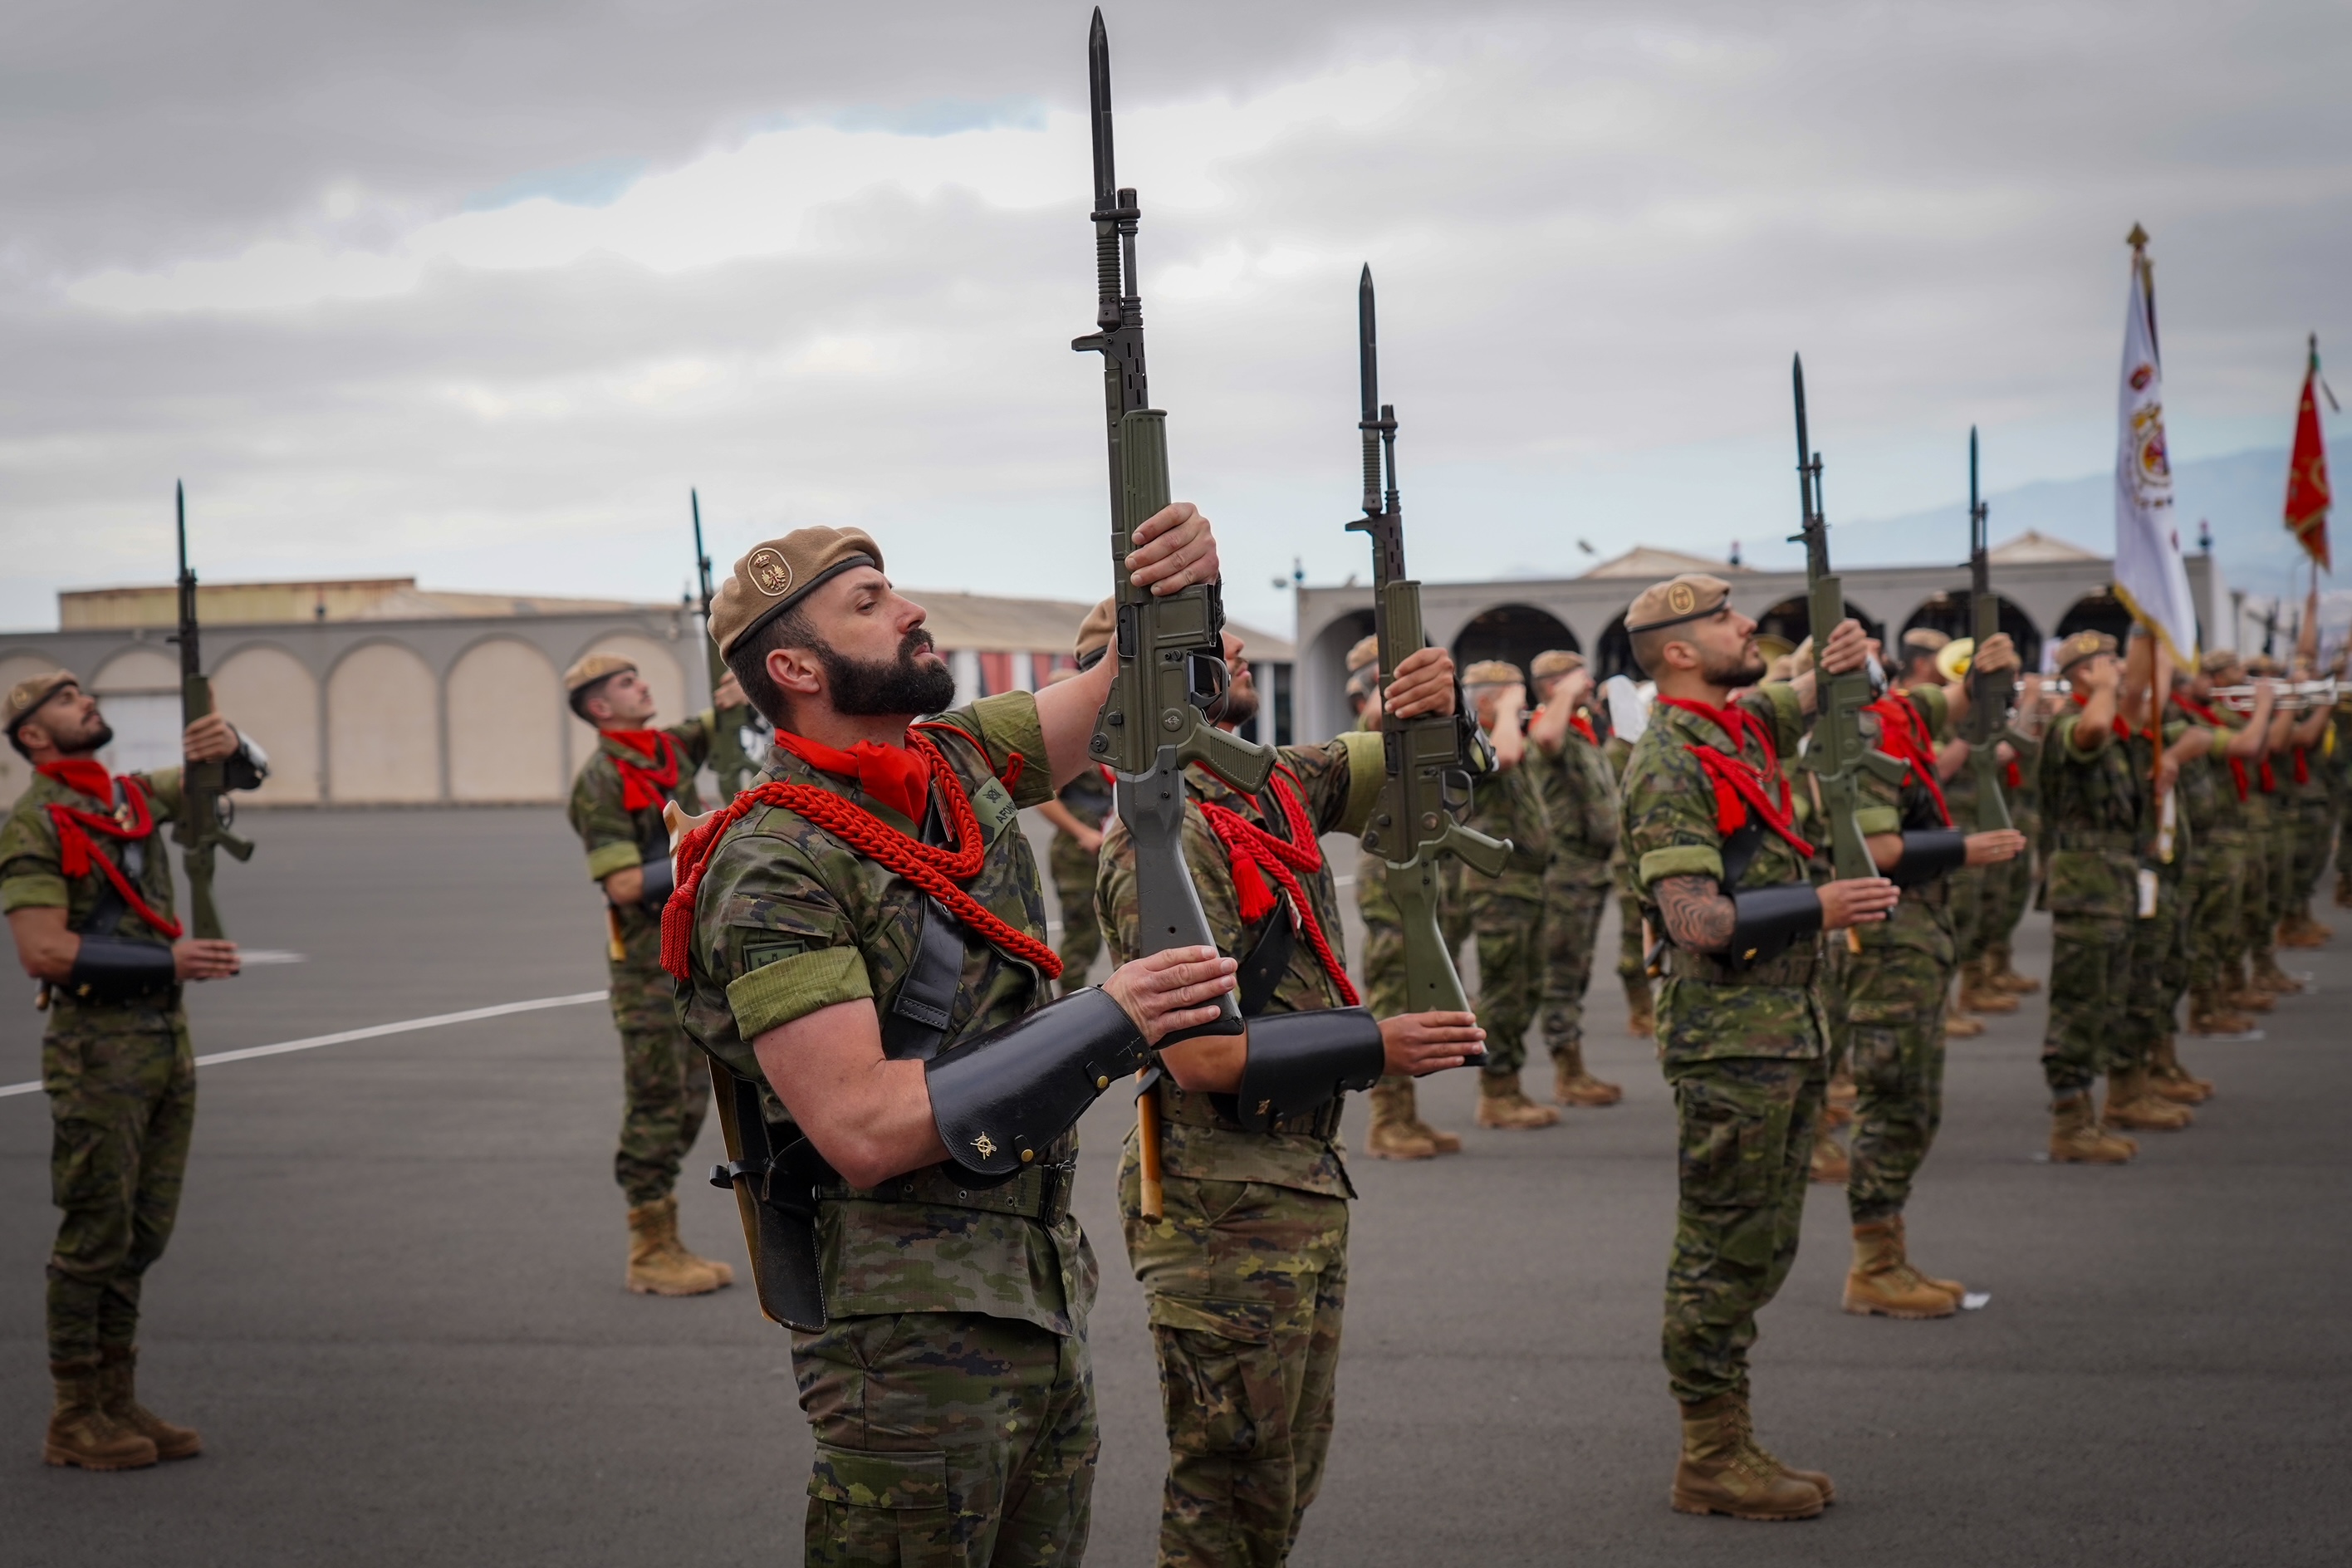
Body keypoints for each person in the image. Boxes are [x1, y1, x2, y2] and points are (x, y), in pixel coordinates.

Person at [670, 512, 1239, 1566]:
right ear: (795, 664)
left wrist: (1181, 580)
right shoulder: (773, 863)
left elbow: (1132, 681)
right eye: (869, 603)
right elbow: (862, 1126)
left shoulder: (958, 760)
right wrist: (1111, 1018)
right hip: (907, 1337)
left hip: (1039, 1289)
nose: (911, 608)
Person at [1096, 620, 1484, 1568]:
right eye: (1204, 646)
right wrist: (1379, 1043)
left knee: (1283, 1477)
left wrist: (1440, 704)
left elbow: (1416, 768)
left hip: (1296, 1178)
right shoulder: (1161, 833)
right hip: (1214, 1198)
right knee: (1230, 1487)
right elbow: (1200, 1059)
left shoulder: (1270, 781)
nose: (1231, 652)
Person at [1618, 575, 1899, 1521]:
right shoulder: (1667, 761)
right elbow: (1694, 917)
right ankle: (1711, 1451)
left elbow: (1803, 688)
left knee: (1765, 1240)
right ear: (1682, 652)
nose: (1751, 629)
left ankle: (1728, 1438)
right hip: (1730, 1042)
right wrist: (1823, 904)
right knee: (1720, 1247)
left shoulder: (1737, 728)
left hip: (1782, 1030)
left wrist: (1837, 655)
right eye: (1729, 621)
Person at [2, 670, 267, 1470]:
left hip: (160, 1042)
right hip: (96, 1052)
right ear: (35, 737)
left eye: (85, 692)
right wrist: (168, 959)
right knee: (94, 1233)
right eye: (65, 700)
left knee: (142, 1232)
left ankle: (117, 1398)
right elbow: (41, 950)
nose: (88, 702)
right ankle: (74, 1413)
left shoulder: (124, 799)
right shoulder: (32, 824)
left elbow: (228, 779)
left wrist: (232, 743)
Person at [1840, 634, 2026, 1317]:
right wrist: (1965, 847)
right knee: (1894, 1102)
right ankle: (1873, 1265)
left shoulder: (1897, 715)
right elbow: (1879, 848)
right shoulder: (1852, 740)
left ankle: (1888, 1253)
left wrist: (1990, 671)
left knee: (1918, 1105)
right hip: (1888, 940)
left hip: (1918, 933)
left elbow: (1960, 700)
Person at [564, 652, 742, 1296]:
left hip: (691, 956)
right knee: (656, 1104)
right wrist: (713, 842)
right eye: (625, 683)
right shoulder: (601, 780)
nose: (642, 685)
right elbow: (623, 882)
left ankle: (665, 1238)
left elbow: (717, 719)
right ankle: (649, 1248)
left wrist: (738, 686)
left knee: (694, 1101)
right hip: (646, 969)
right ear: (599, 708)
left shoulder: (664, 751)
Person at [1353, 634, 1468, 1159]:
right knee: (1393, 992)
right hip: (1388, 876)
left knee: (1413, 989)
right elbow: (1380, 718)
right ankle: (1386, 1122)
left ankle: (1407, 1115)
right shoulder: (1372, 726)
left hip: (1416, 869)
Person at [1453, 660, 1560, 1128]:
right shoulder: (1474, 738)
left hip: (1525, 883)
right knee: (1503, 988)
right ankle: (1495, 1092)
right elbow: (1505, 758)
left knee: (1527, 985)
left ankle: (1509, 1084)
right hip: (1499, 885)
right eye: (1514, 700)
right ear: (1487, 701)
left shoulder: (1503, 734)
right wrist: (1507, 707)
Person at [1525, 649, 1624, 1106]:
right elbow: (1545, 736)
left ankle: (1574, 1068)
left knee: (1578, 969)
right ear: (1554, 685)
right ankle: (1567, 1071)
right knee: (1563, 972)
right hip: (1566, 870)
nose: (1589, 683)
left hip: (1590, 869)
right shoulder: (1550, 724)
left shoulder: (1582, 731)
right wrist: (1562, 694)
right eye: (1578, 677)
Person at [1033, 664, 1113, 995]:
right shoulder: (1055, 744)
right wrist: (1082, 832)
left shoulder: (1096, 742)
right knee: (1082, 934)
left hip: (1104, 847)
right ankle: (1066, 1003)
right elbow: (1043, 798)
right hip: (1078, 852)